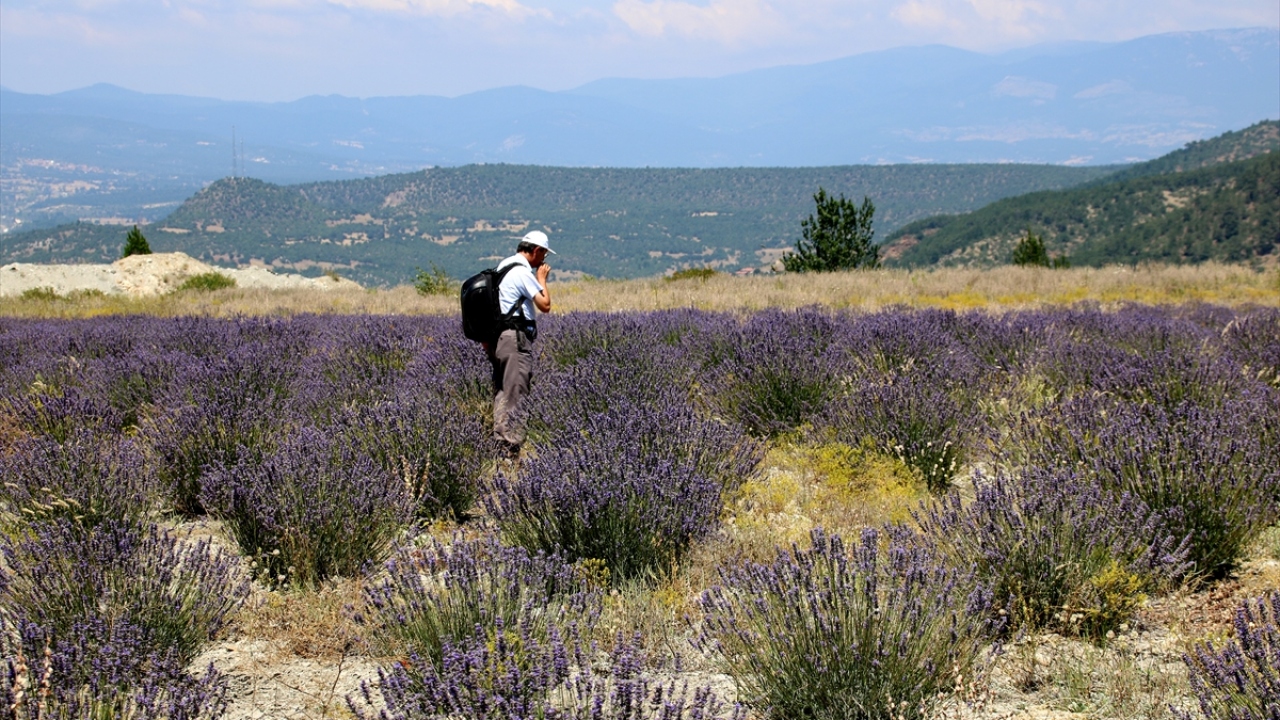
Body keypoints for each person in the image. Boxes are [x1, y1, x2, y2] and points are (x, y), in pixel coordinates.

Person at [487, 230, 553, 459]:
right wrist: (541, 279)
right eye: (543, 254)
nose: (543, 260)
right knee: (516, 392)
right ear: (536, 250)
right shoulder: (521, 272)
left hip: (500, 340)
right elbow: (545, 305)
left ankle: (500, 446)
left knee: (504, 392)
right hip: (515, 340)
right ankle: (511, 451)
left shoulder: (502, 267)